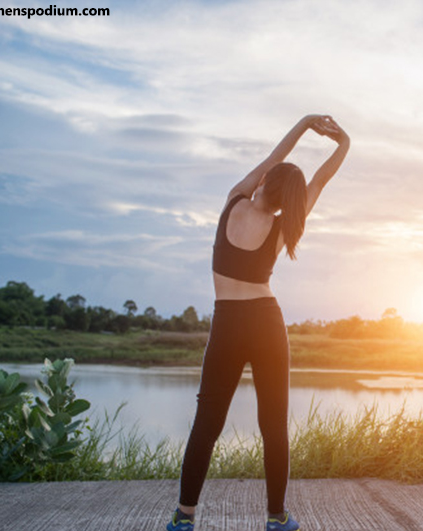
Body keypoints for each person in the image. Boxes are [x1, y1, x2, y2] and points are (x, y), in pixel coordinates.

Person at [166, 114, 350, 531]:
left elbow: (274, 157)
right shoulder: (285, 226)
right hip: (267, 323)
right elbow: (317, 183)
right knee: (273, 425)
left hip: (228, 322)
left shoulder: (234, 200)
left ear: (265, 182)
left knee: (206, 424)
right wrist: (344, 146)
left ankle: (184, 517)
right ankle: (276, 518)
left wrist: (305, 125)